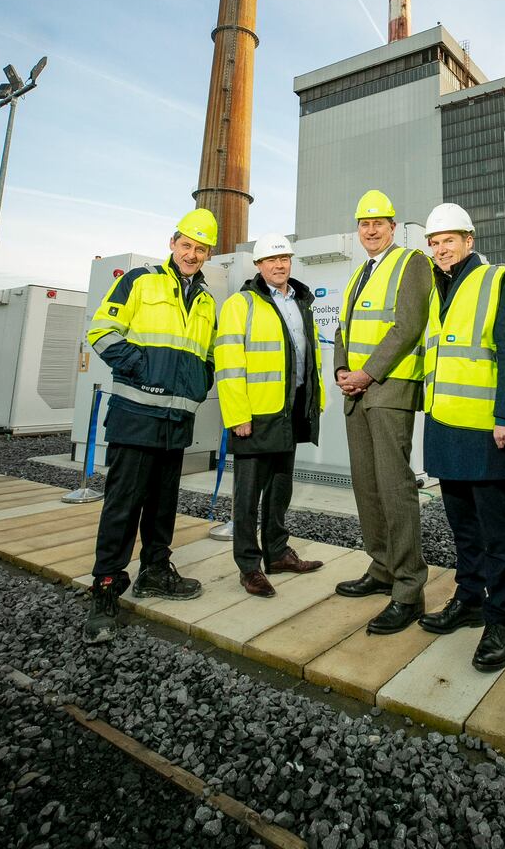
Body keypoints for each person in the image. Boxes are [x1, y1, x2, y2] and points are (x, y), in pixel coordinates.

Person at [83, 209, 219, 644]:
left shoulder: (205, 301)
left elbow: (207, 355)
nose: (192, 254)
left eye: (201, 249)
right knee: (123, 503)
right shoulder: (140, 281)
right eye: (187, 245)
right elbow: (102, 331)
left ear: (208, 254)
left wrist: (200, 384)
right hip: (135, 414)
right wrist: (140, 368)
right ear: (173, 242)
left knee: (163, 503)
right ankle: (105, 586)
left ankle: (156, 569)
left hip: (177, 418)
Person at [417, 204, 505, 673]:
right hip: (443, 423)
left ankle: (498, 619)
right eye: (435, 243)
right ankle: (469, 598)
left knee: (495, 530)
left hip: (483, 427)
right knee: (461, 524)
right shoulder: (438, 287)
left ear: (469, 241)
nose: (441, 249)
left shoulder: (494, 279)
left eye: (449, 241)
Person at [334, 189, 432, 634]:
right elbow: (342, 329)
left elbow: (409, 325)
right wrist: (341, 369)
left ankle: (409, 589)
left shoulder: (411, 262)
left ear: (393, 227)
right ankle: (381, 568)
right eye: (364, 224)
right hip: (355, 392)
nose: (371, 230)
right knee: (367, 486)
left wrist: (366, 374)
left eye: (379, 223)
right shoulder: (358, 276)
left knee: (395, 488)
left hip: (388, 390)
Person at [215, 233, 324, 598]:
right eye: (272, 261)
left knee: (280, 487)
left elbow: (309, 355)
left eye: (285, 259)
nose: (279, 266)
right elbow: (229, 365)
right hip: (255, 413)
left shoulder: (301, 302)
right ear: (259, 266)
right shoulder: (240, 304)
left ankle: (277, 553)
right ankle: (249, 567)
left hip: (290, 409)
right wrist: (237, 414)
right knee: (247, 494)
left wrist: (313, 399)